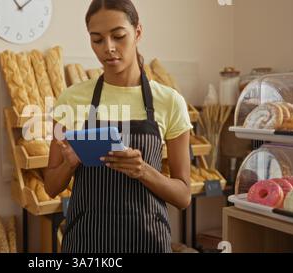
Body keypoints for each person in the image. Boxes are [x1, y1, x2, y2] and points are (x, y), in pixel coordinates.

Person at [43, 0, 192, 253]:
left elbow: (183, 196)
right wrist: (71, 162)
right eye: (97, 40)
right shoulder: (70, 99)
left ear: (137, 32)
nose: (108, 48)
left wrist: (142, 170)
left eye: (118, 36)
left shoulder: (170, 102)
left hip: (148, 242)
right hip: (86, 243)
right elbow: (51, 187)